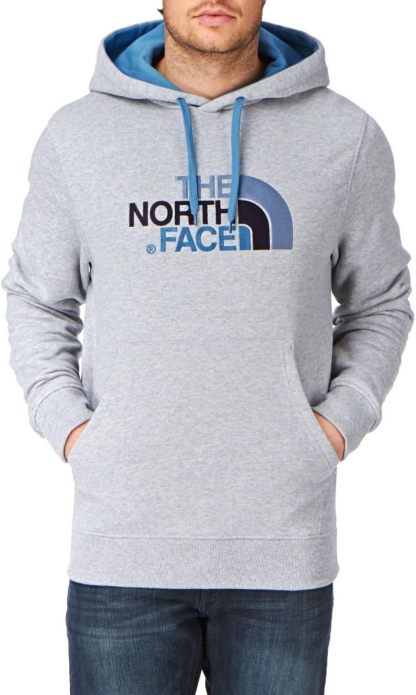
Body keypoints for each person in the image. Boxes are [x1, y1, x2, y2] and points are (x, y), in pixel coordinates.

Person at [2, 2, 414, 693]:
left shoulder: (346, 136)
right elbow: (37, 299)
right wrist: (72, 429)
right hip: (122, 548)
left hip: (281, 551)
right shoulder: (78, 136)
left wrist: (336, 426)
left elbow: (380, 301)